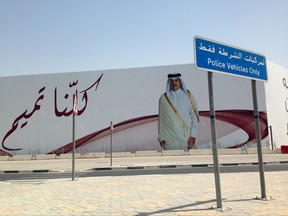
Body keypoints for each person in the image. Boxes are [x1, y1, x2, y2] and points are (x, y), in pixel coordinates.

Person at [158, 73, 199, 150]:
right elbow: (161, 121)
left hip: (186, 137)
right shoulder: (163, 98)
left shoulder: (188, 95)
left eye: (176, 80)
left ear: (180, 81)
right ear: (169, 82)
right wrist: (161, 137)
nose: (174, 83)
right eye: (171, 81)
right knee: (172, 160)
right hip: (170, 138)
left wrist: (193, 136)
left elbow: (195, 116)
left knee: (187, 160)